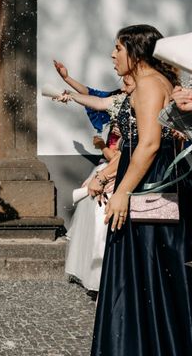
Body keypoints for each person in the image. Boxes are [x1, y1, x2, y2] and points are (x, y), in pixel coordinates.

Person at [90, 25, 192, 355]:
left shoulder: (148, 84)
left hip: (151, 187)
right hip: (148, 179)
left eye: (118, 48)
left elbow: (148, 145)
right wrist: (107, 176)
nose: (112, 54)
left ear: (135, 51)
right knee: (151, 269)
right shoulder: (153, 82)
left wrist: (122, 194)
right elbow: (136, 146)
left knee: (148, 266)